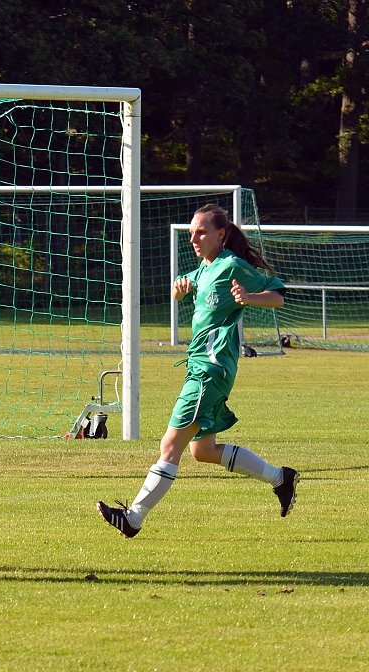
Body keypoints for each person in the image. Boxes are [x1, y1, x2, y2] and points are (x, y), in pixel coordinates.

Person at [97, 204, 299, 538]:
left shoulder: (231, 264)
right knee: (202, 451)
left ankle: (134, 517)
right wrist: (180, 287)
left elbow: (277, 295)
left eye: (201, 232)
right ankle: (281, 478)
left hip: (211, 368)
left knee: (170, 445)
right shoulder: (204, 269)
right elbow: (189, 281)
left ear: (220, 234)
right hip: (201, 367)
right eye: (191, 232)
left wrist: (249, 296)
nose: (194, 237)